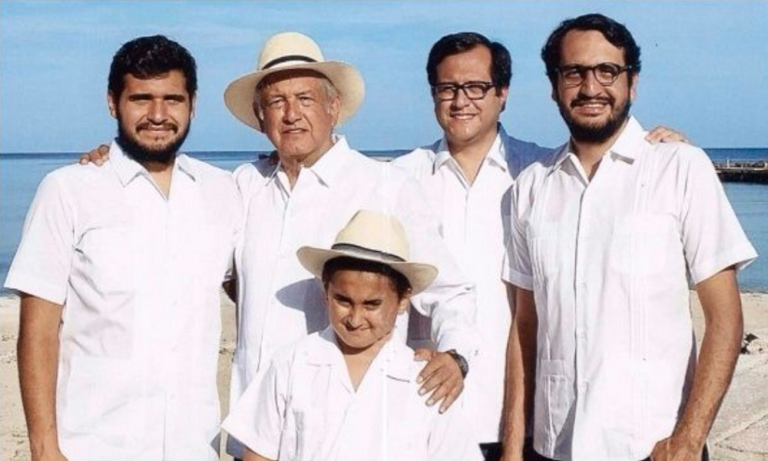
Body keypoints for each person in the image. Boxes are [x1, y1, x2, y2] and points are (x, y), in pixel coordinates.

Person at [393, 31, 689, 461]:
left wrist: (664, 151)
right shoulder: (399, 181)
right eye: (447, 88)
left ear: (503, 93)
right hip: (428, 419)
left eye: (476, 87)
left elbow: (610, 174)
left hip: (528, 424)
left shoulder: (540, 174)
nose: (460, 101)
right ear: (433, 95)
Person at [501, 13, 757, 461]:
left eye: (607, 71)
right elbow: (526, 327)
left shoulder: (680, 168)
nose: (591, 87)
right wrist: (512, 448)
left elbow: (725, 318)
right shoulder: (531, 188)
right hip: (555, 443)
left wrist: (688, 439)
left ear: (632, 83)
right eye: (574, 72)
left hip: (653, 445)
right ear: (554, 86)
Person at [222, 32, 479, 457]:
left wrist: (456, 357)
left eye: (305, 98)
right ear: (260, 115)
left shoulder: (386, 185)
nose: (291, 114)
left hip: (351, 430)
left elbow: (449, 290)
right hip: (257, 431)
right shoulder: (244, 186)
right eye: (276, 101)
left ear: (334, 107)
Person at [5, 35, 241, 461]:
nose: (158, 115)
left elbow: (253, 287)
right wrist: (43, 448)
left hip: (194, 446)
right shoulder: (68, 190)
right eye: (141, 99)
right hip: (93, 447)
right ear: (113, 102)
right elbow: (38, 331)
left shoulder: (223, 191)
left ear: (193, 104)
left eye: (172, 99)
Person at [222, 210, 482, 461]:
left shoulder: (426, 383)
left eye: (372, 304)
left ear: (403, 300)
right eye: (343, 301)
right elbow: (260, 453)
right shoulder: (290, 365)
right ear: (326, 292)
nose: (355, 319)